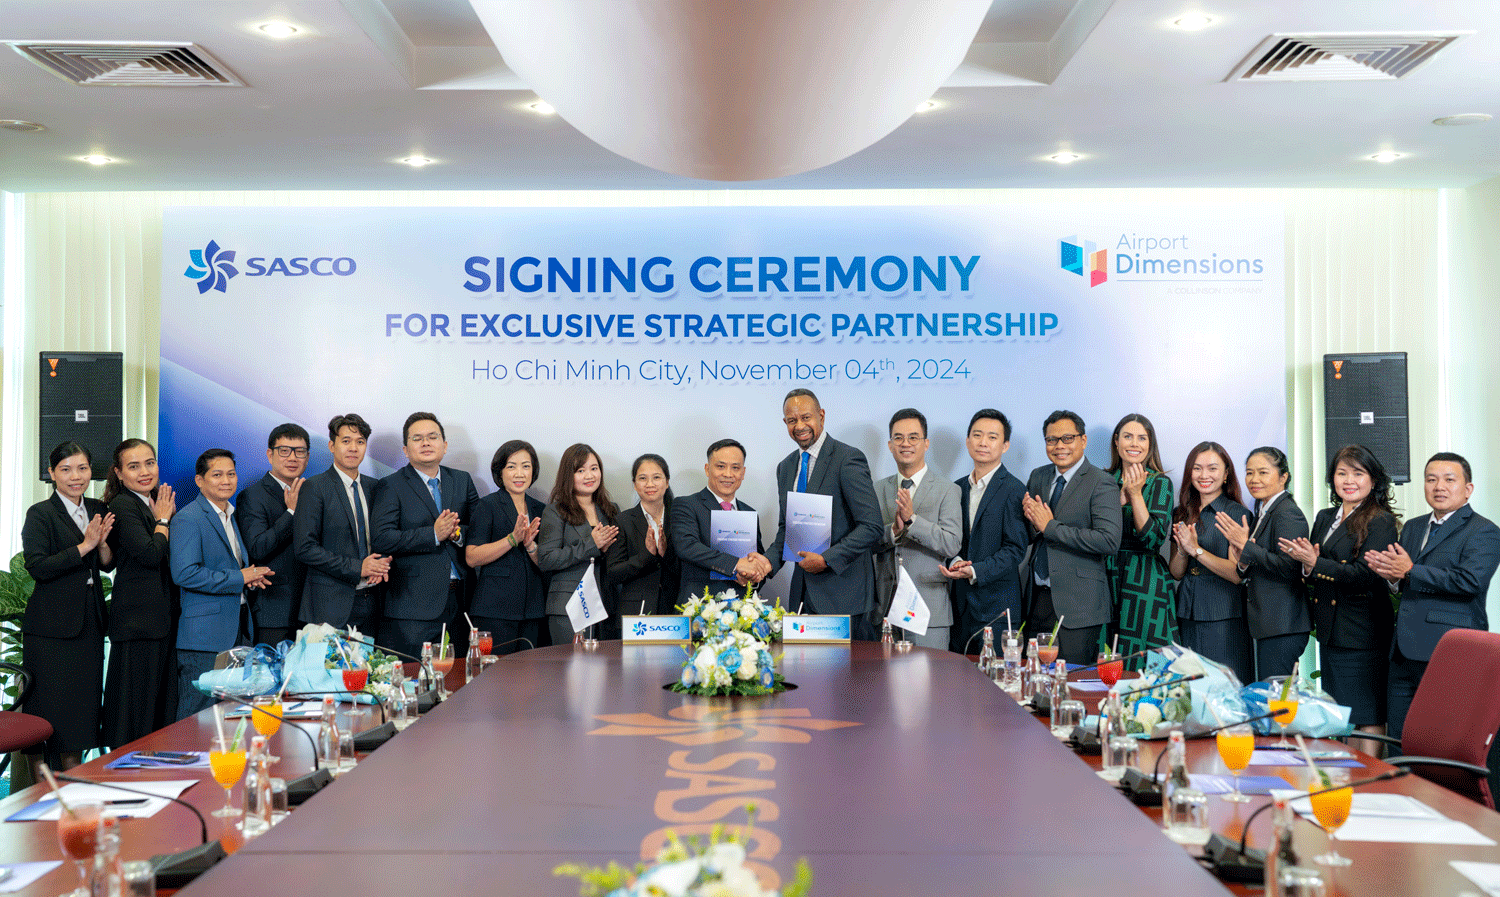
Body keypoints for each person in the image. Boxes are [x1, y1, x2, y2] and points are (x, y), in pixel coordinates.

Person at [1367, 451, 1500, 741]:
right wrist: (1391, 577)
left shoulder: (1484, 531)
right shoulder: (1413, 526)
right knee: (1400, 738)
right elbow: (1405, 580)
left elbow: (1470, 581)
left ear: (1468, 489)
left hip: (1449, 648)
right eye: (1431, 479)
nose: (1439, 486)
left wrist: (1410, 571)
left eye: (1449, 479)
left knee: (1441, 739)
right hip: (1403, 650)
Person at [1279, 445, 1400, 751]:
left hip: (1363, 632)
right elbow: (1313, 569)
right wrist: (1308, 565)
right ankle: (1345, 778)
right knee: (1342, 712)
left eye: (1358, 473)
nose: (1349, 480)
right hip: (1332, 630)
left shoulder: (1380, 520)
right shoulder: (1324, 517)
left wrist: (1315, 563)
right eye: (1341, 473)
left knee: (1366, 712)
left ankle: (1366, 782)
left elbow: (1366, 574)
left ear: (1373, 480)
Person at [21, 442, 114, 774]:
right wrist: (85, 544)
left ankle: (74, 799)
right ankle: (41, 798)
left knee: (80, 720)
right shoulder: (40, 514)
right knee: (47, 718)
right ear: (52, 473)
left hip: (87, 626)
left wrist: (100, 545)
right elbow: (38, 566)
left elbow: (106, 564)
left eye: (83, 468)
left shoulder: (95, 507)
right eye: (66, 469)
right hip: (49, 632)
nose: (76, 477)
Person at [768, 389, 884, 640]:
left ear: (821, 415)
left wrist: (827, 559)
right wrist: (765, 565)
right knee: (806, 676)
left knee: (845, 679)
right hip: (802, 596)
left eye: (806, 417)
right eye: (792, 420)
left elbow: (872, 526)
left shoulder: (847, 458)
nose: (799, 425)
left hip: (844, 596)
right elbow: (787, 530)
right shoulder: (786, 467)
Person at [170, 449, 272, 720]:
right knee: (198, 714)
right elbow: (185, 574)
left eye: (231, 474)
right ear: (199, 481)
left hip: (237, 627)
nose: (226, 480)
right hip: (204, 637)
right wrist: (240, 577)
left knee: (230, 715)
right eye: (217, 475)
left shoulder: (231, 515)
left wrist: (248, 578)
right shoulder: (188, 518)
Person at [371, 412, 477, 659]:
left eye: (433, 437)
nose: (426, 443)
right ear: (406, 450)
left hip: (461, 602)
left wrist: (457, 533)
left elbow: (478, 529)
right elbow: (382, 538)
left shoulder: (462, 480)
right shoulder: (391, 485)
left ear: (445, 445)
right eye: (417, 438)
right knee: (416, 682)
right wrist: (433, 534)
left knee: (459, 681)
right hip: (413, 607)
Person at [1020, 411, 1122, 664]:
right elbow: (1033, 533)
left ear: (1083, 440)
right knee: (1036, 678)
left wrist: (1049, 526)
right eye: (1051, 440)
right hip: (1038, 598)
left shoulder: (1102, 482)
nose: (1059, 446)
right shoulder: (1039, 476)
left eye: (1067, 438)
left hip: (1079, 605)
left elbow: (1108, 540)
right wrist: (1032, 522)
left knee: (1071, 682)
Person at [101, 438, 177, 748]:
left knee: (158, 709)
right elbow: (149, 554)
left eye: (149, 463)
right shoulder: (123, 504)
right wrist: (162, 520)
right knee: (134, 712)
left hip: (161, 619)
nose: (144, 472)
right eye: (133, 466)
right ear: (119, 473)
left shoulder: (156, 498)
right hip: (138, 623)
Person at [1216, 446, 1312, 680]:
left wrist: (1246, 546)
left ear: (1283, 477)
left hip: (1283, 625)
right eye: (1249, 473)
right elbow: (1262, 562)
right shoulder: (1265, 510)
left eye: (1263, 472)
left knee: (1278, 703)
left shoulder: (1287, 513)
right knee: (1271, 700)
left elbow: (1289, 567)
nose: (1254, 479)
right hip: (1270, 624)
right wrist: (1242, 560)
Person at [872, 408, 961, 650]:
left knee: (929, 685)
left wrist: (913, 521)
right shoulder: (876, 489)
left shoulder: (948, 490)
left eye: (913, 437)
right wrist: (894, 531)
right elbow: (867, 540)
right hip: (885, 611)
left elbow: (952, 543)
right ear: (890, 445)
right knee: (885, 685)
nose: (905, 444)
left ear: (926, 443)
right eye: (898, 438)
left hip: (928, 612)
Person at [941, 409, 1027, 655]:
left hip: (997, 609)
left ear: (1005, 445)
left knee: (995, 684)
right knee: (957, 685)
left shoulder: (1014, 490)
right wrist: (955, 562)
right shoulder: (956, 488)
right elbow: (950, 537)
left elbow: (1015, 550)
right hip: (958, 608)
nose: (983, 443)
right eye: (977, 435)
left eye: (992, 437)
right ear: (968, 441)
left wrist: (976, 570)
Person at [294, 413, 390, 633]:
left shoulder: (376, 487)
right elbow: (305, 548)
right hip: (330, 606)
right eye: (346, 441)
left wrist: (382, 561)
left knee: (372, 667)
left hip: (374, 601)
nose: (353, 448)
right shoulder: (315, 487)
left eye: (360, 442)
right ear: (331, 445)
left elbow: (384, 536)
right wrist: (359, 568)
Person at [1168, 442, 1253, 683]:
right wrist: (1184, 550)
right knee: (1190, 689)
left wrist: (1195, 549)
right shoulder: (1181, 513)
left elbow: (1236, 574)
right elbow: (1176, 572)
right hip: (1186, 610)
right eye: (1197, 468)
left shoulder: (1236, 514)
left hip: (1223, 613)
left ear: (1226, 474)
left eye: (1212, 468)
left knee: (1224, 688)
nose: (1204, 475)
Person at [1104, 414, 1176, 664]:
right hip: (1106, 577)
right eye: (1128, 436)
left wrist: (1135, 495)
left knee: (1142, 663)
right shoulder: (1102, 481)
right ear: (1116, 441)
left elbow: (1153, 540)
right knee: (1106, 658)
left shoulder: (1161, 483)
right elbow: (1092, 530)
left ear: (1150, 444)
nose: (1134, 443)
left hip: (1144, 580)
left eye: (1141, 438)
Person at [466, 440, 548, 654]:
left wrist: (530, 546)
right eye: (511, 466)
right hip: (495, 610)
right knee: (494, 679)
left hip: (533, 610)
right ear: (500, 472)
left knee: (530, 681)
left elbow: (546, 563)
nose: (519, 473)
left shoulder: (541, 509)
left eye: (526, 466)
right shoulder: (488, 505)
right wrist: (512, 539)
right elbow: (472, 557)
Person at [537, 443, 620, 645]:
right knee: (573, 672)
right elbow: (546, 559)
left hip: (607, 603)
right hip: (570, 605)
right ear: (568, 475)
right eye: (580, 470)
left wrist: (608, 550)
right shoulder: (555, 511)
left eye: (594, 468)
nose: (589, 475)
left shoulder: (610, 509)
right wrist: (592, 544)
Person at [235, 423, 309, 647]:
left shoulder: (312, 491)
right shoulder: (252, 495)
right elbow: (258, 547)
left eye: (300, 451)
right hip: (273, 610)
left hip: (311, 610)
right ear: (270, 454)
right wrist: (291, 512)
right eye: (284, 451)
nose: (293, 458)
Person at [671, 439, 771, 605]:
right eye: (720, 466)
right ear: (707, 469)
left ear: (743, 472)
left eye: (735, 468)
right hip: (700, 607)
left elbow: (756, 560)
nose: (728, 474)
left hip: (743, 612)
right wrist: (736, 564)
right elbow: (687, 546)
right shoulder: (686, 504)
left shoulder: (749, 513)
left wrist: (753, 577)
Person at [608, 454, 682, 616]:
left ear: (667, 482)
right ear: (634, 484)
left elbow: (689, 569)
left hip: (677, 607)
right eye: (642, 478)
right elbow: (613, 574)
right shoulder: (622, 520)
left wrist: (666, 553)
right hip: (636, 611)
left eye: (656, 477)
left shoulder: (680, 518)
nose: (650, 484)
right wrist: (646, 556)